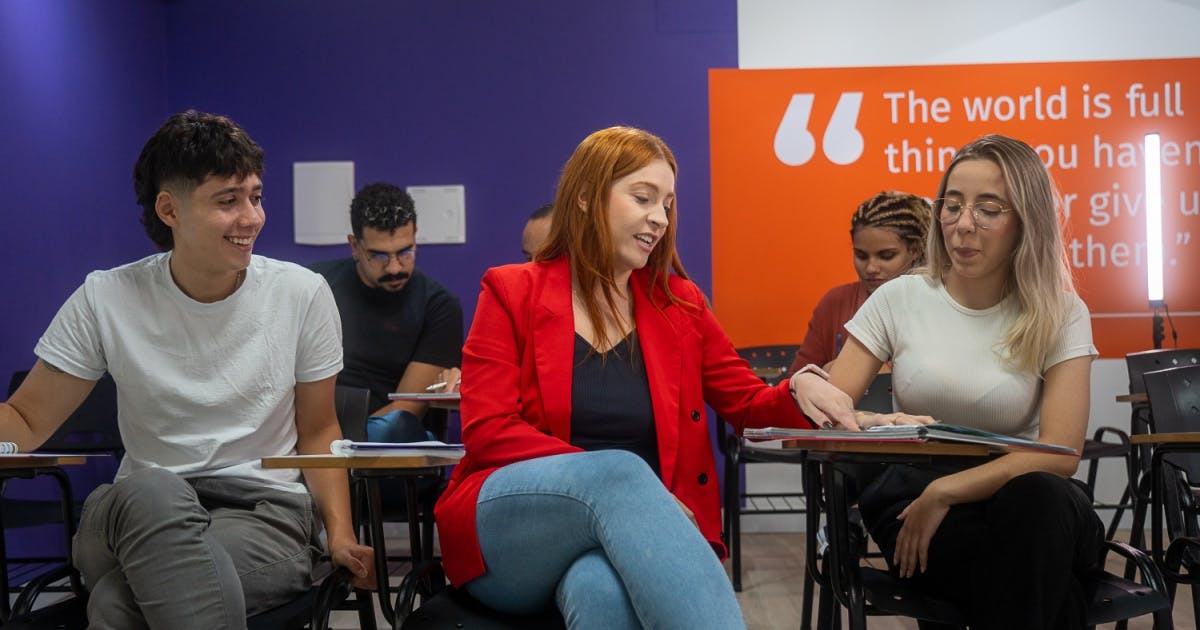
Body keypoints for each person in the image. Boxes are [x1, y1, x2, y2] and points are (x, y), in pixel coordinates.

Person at [434, 126, 844, 628]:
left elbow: (749, 407)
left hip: (628, 536)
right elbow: (489, 430)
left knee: (600, 589)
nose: (659, 217)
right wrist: (641, 493)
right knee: (623, 472)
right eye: (643, 197)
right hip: (510, 533)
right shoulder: (509, 290)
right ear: (585, 197)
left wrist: (799, 386)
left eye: (667, 203)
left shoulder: (681, 305)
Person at [0, 110, 373, 628]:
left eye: (255, 196)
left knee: (115, 603)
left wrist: (339, 534)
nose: (252, 217)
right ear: (169, 209)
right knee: (156, 490)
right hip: (131, 511)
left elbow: (317, 427)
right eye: (228, 200)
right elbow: (25, 419)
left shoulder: (300, 294)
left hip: (261, 513)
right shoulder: (107, 296)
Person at [798, 134, 1103, 629]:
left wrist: (949, 491)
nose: (963, 225)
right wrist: (877, 421)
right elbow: (833, 412)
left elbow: (1059, 453)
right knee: (1047, 579)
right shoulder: (901, 298)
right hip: (915, 500)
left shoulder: (1061, 311)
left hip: (1019, 499)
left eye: (988, 209)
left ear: (1027, 220)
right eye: (952, 205)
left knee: (1037, 503)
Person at [310, 182, 463, 443]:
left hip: (383, 438)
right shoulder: (315, 287)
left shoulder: (438, 306)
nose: (394, 268)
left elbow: (406, 408)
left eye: (405, 252)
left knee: (392, 427)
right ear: (354, 247)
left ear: (415, 235)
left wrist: (337, 445)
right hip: (313, 423)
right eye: (379, 256)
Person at [788, 190, 931, 372]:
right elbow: (794, 385)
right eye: (861, 255)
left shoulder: (939, 302)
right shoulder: (835, 303)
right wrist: (825, 374)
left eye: (886, 256)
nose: (871, 268)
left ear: (915, 250)